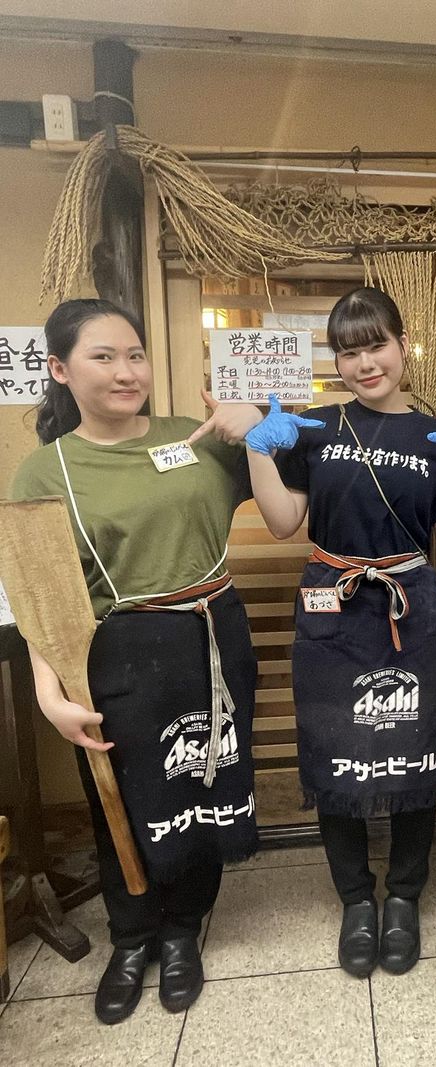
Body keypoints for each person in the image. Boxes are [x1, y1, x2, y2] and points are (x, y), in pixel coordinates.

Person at [10, 299, 262, 1025]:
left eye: (136, 355)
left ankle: (183, 929)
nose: (127, 372)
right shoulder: (45, 471)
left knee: (205, 783)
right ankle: (131, 935)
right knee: (119, 793)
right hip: (116, 650)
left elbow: (294, 485)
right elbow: (39, 593)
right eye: (104, 357)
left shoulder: (197, 436)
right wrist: (49, 690)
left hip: (214, 632)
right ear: (60, 370)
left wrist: (262, 425)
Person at [242, 286, 436, 978]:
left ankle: (405, 896)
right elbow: (282, 523)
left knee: (413, 757)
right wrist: (259, 451)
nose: (365, 363)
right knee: (336, 756)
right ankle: (357, 899)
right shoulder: (316, 430)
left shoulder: (434, 437)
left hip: (412, 609)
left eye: (377, 345)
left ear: (403, 345)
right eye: (348, 351)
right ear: (336, 359)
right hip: (332, 607)